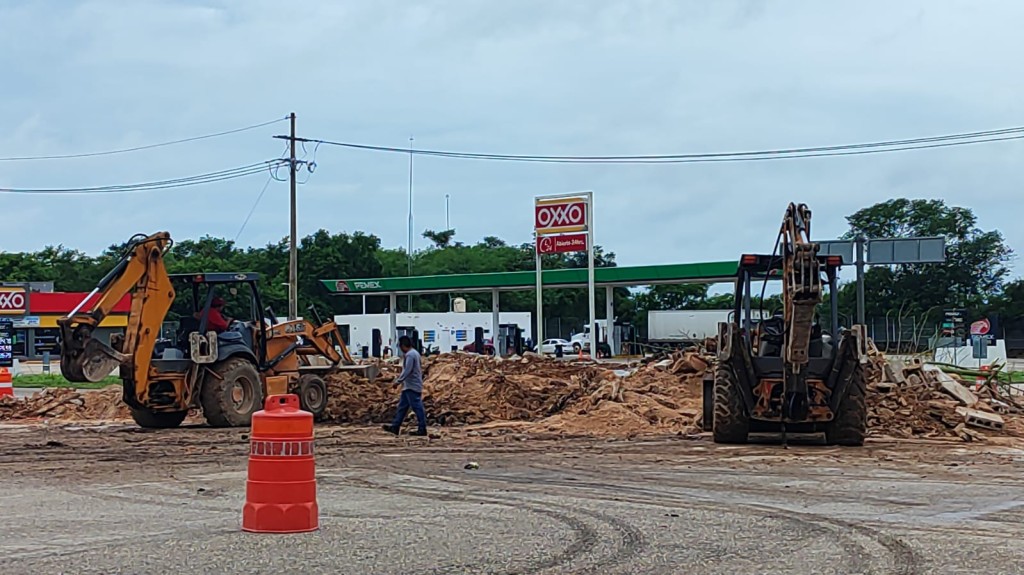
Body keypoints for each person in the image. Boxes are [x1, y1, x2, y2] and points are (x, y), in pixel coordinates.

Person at [383, 335, 428, 437]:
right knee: (402, 407)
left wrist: (398, 381)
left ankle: (422, 428)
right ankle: (395, 426)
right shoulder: (415, 353)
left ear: (403, 346)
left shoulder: (411, 355)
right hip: (409, 385)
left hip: (412, 385)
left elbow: (407, 370)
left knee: (417, 407)